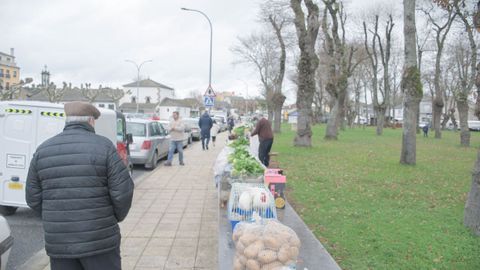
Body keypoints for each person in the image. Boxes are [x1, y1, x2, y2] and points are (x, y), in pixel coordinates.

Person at [26, 101, 134, 270]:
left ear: (67, 120)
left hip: (60, 242)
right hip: (99, 239)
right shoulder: (104, 146)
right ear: (91, 121)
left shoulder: (43, 150)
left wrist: (56, 217)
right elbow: (123, 192)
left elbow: (32, 198)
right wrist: (113, 218)